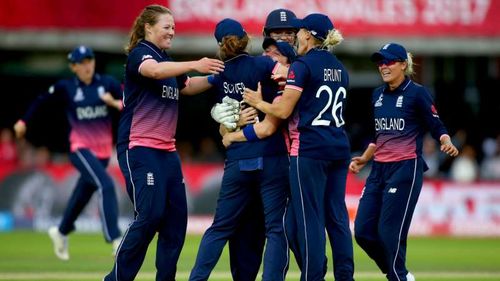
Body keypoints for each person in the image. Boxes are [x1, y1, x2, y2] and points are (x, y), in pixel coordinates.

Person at [103, 5, 224, 281]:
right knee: (150, 215)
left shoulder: (166, 59)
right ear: (148, 28)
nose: (172, 31)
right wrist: (194, 63)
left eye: (173, 27)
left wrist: (218, 77)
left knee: (175, 222)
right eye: (166, 26)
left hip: (167, 153)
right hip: (140, 149)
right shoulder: (140, 55)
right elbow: (155, 72)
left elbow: (188, 86)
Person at [243, 13, 355, 281]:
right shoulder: (340, 68)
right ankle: (345, 276)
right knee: (337, 218)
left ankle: (312, 277)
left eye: (300, 33)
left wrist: (258, 103)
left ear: (308, 34)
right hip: (338, 148)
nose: (296, 38)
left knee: (310, 219)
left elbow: (282, 110)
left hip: (310, 151)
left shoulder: (302, 65)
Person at [189, 18, 290, 281]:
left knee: (220, 228)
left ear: (220, 45)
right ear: (246, 38)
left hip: (237, 158)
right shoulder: (264, 63)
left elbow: (193, 88)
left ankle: (196, 279)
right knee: (275, 230)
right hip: (271, 155)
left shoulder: (222, 74)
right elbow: (294, 75)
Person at [350, 43, 459, 281]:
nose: (383, 66)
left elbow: (435, 123)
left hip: (405, 169)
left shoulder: (417, 93)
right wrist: (364, 158)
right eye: (380, 62)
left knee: (389, 233)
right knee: (363, 232)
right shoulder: (376, 95)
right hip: (378, 170)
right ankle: (397, 274)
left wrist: (444, 139)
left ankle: (398, 276)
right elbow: (378, 134)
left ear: (403, 64)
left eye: (388, 62)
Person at [13, 45, 124, 261]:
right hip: (80, 149)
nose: (87, 66)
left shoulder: (107, 83)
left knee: (82, 195)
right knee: (106, 185)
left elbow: (130, 102)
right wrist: (23, 121)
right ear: (73, 67)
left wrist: (114, 103)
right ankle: (115, 240)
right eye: (81, 63)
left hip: (102, 154)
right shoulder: (66, 87)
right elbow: (40, 100)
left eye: (89, 60)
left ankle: (61, 231)